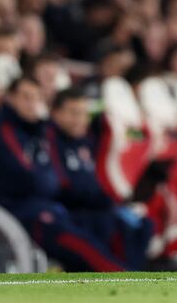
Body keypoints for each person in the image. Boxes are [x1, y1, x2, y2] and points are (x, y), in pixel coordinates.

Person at [0, 76, 126, 271]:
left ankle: (128, 273)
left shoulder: (37, 131)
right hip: (18, 209)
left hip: (49, 205)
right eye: (26, 98)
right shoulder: (6, 130)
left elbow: (50, 178)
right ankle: (122, 276)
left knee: (110, 222)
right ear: (10, 98)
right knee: (73, 238)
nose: (32, 104)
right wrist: (51, 184)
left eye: (37, 98)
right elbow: (29, 177)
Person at [48, 87, 153, 270]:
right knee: (111, 224)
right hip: (70, 210)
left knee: (143, 224)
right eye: (74, 113)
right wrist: (104, 200)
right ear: (55, 113)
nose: (80, 120)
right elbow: (61, 185)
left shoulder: (86, 142)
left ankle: (133, 274)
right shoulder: (49, 140)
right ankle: (124, 276)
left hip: (94, 207)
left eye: (84, 114)